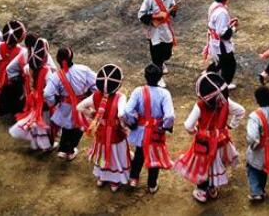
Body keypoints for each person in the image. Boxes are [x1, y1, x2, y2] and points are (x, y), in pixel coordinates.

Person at [174, 72, 245, 203]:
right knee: (217, 162)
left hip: (204, 143)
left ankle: (201, 191)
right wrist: (230, 126)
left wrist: (194, 131)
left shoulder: (200, 105)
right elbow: (240, 111)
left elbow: (188, 125)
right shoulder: (225, 101)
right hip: (221, 140)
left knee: (203, 165)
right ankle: (212, 188)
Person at [77, 64, 131, 192]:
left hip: (101, 131)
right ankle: (114, 181)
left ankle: (102, 177)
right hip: (115, 133)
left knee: (102, 152)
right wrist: (125, 126)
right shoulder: (120, 97)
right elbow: (121, 114)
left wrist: (93, 115)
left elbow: (79, 107)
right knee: (115, 154)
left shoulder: (95, 96)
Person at [123, 64, 175, 194]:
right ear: (160, 77)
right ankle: (152, 185)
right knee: (154, 157)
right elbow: (169, 115)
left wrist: (132, 122)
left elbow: (127, 110)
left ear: (145, 76)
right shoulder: (164, 93)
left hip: (140, 131)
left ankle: (133, 179)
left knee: (139, 154)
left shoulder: (138, 91)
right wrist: (165, 127)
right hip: (155, 132)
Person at [44, 47, 96, 161]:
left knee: (67, 126)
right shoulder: (84, 69)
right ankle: (68, 151)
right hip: (82, 104)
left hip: (66, 106)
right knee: (78, 128)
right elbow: (96, 83)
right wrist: (91, 95)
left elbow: (47, 93)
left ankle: (64, 150)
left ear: (57, 60)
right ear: (72, 56)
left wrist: (53, 101)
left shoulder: (56, 76)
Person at [9, 37, 56, 151]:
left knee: (35, 120)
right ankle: (46, 146)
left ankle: (36, 143)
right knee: (43, 122)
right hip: (43, 101)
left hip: (32, 99)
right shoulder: (47, 71)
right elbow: (50, 89)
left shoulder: (26, 68)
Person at [138, 0, 180, 76]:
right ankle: (158, 73)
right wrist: (154, 16)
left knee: (167, 52)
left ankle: (161, 62)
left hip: (165, 28)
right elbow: (141, 15)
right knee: (156, 53)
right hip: (154, 30)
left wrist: (174, 11)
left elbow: (172, 10)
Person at [203, 0, 239, 90]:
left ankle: (206, 75)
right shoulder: (222, 12)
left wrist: (229, 24)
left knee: (220, 62)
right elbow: (224, 34)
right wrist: (234, 28)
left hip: (214, 40)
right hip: (220, 44)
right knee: (230, 64)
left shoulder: (214, 5)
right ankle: (223, 85)